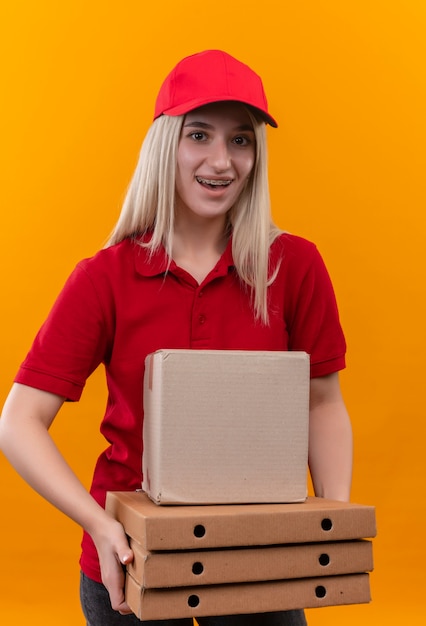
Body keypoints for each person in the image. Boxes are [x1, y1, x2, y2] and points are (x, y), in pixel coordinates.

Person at [0, 50, 352, 626]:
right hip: (133, 560)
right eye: (199, 135)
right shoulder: (104, 278)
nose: (222, 160)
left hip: (257, 560)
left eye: (241, 140)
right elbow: (19, 422)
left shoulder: (294, 266)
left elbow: (323, 402)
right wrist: (101, 526)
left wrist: (327, 528)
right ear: (166, 144)